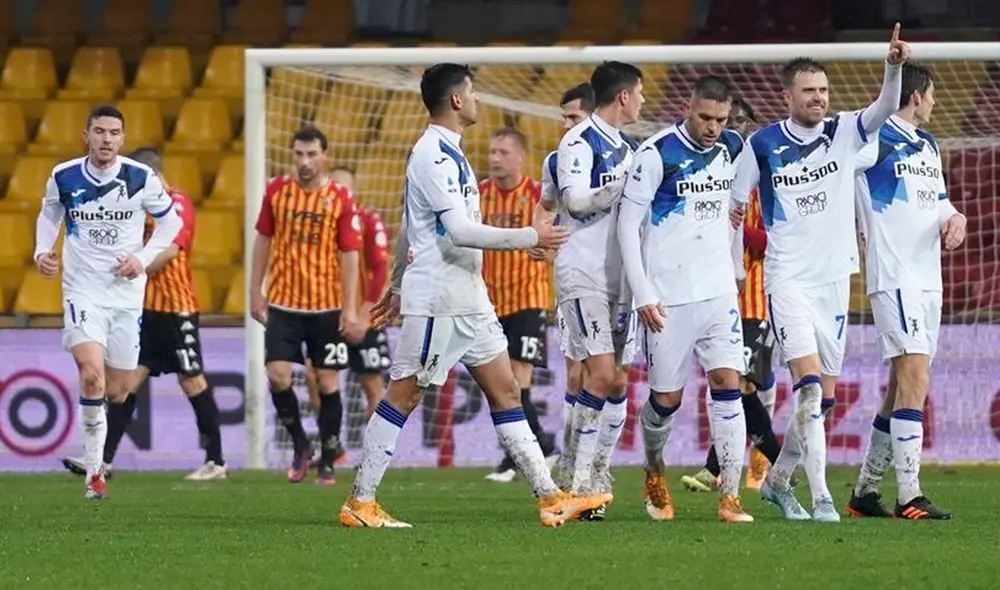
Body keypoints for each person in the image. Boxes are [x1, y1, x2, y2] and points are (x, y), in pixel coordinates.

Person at [339, 63, 609, 529]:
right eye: (474, 92)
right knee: (405, 394)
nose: (480, 99)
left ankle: (549, 497)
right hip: (440, 297)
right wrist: (531, 236)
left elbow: (409, 226)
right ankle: (360, 501)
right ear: (457, 100)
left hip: (468, 296)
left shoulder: (450, 152)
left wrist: (397, 283)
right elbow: (460, 231)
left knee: (506, 390)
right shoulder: (433, 156)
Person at [730, 23, 911, 522]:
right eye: (809, 90)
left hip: (836, 280)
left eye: (824, 90)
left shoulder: (845, 131)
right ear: (787, 95)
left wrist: (892, 68)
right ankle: (823, 498)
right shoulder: (763, 144)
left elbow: (884, 107)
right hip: (787, 279)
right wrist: (734, 268)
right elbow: (732, 204)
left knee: (822, 401)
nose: (818, 98)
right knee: (808, 389)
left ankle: (778, 481)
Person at [619, 76, 753, 523]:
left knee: (728, 384)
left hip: (717, 294)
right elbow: (627, 226)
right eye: (705, 118)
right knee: (666, 401)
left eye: (721, 119)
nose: (714, 127)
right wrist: (643, 294)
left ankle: (730, 495)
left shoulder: (733, 147)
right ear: (687, 107)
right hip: (668, 298)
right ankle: (654, 470)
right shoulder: (656, 154)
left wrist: (735, 270)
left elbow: (735, 213)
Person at [34, 105, 182, 498]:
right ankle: (94, 474)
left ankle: (96, 460)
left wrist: (143, 259)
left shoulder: (141, 178)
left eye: (114, 133)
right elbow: (49, 214)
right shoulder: (64, 176)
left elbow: (172, 223)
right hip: (82, 290)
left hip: (125, 296)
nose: (106, 139)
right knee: (92, 374)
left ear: (122, 138)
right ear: (86, 135)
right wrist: (41, 251)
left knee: (116, 390)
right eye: (99, 131)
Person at [61, 147, 226, 482]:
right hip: (144, 310)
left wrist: (133, 266)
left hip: (176, 308)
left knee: (192, 379)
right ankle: (103, 460)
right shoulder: (132, 204)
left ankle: (216, 461)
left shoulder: (175, 202)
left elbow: (170, 250)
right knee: (124, 385)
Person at [847, 62, 965, 520]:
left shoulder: (928, 144)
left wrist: (955, 217)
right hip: (894, 274)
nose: (935, 103)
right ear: (915, 96)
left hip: (926, 276)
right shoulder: (874, 138)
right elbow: (837, 172)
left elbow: (937, 201)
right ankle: (909, 495)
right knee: (915, 377)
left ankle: (864, 492)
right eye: (932, 94)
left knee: (901, 386)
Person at [546, 62, 644, 517]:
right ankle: (579, 480)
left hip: (620, 279)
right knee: (599, 375)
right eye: (639, 93)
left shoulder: (631, 148)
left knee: (618, 379)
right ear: (623, 96)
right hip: (582, 273)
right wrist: (621, 186)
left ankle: (592, 474)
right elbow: (574, 201)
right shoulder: (578, 141)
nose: (643, 101)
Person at [249, 127, 364, 485]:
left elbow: (349, 255)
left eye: (311, 154)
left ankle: (329, 452)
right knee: (277, 374)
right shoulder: (276, 192)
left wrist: (349, 307)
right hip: (284, 303)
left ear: (324, 156)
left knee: (327, 380)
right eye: (298, 154)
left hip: (326, 305)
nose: (304, 161)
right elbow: (263, 240)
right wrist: (255, 289)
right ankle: (301, 444)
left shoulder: (341, 198)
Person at [680, 96, 783, 494]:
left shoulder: (763, 177)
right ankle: (719, 467)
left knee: (739, 385)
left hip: (753, 298)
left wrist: (737, 230)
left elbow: (776, 239)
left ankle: (780, 463)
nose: (732, 127)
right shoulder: (708, 174)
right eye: (727, 121)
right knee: (732, 386)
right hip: (714, 297)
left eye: (740, 121)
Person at [479, 127, 559, 483]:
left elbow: (554, 245)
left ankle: (516, 456)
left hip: (527, 298)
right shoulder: (478, 195)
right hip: (488, 303)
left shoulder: (537, 198)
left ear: (521, 157)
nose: (495, 158)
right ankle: (541, 444)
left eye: (503, 152)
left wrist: (543, 249)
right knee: (502, 383)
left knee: (515, 378)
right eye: (492, 151)